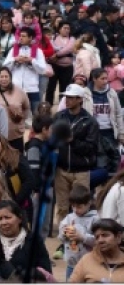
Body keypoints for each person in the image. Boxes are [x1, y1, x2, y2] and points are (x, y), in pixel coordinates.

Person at [54, 83, 100, 231]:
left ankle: (81, 237)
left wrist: (72, 140)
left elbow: (91, 148)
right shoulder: (58, 117)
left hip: (81, 171)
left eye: (71, 98)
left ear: (80, 99)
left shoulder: (90, 121)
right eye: (66, 97)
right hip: (61, 170)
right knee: (62, 207)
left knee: (81, 207)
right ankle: (63, 240)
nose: (67, 100)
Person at [0, 199, 51, 277]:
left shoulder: (33, 241)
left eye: (7, 218)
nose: (4, 222)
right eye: (0, 219)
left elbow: (46, 273)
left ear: (19, 218)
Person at [58, 184, 99, 280]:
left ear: (88, 204)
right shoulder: (69, 218)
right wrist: (64, 233)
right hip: (71, 263)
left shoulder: (95, 219)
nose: (75, 210)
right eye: (73, 206)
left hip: (88, 264)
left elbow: (97, 241)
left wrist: (82, 237)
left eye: (79, 207)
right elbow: (60, 238)